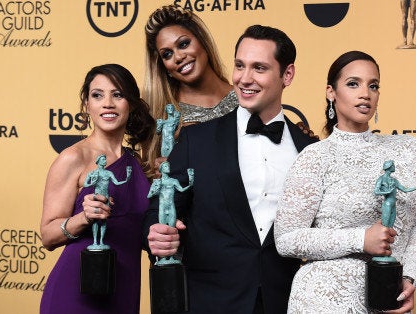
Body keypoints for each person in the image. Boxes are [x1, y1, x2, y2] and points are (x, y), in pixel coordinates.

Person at [143, 25, 318, 313]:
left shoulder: (310, 150)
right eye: (240, 65)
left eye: (259, 68)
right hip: (210, 301)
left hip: (288, 301)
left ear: (287, 74)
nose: (244, 79)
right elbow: (156, 210)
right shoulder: (194, 141)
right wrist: (155, 232)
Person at [274, 50, 416, 313]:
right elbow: (287, 239)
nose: (365, 93)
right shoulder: (315, 156)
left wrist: (407, 279)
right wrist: (361, 239)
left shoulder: (406, 149)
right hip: (321, 299)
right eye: (353, 84)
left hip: (386, 296)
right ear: (331, 92)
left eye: (373, 85)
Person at [40, 64, 155, 313]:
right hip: (78, 293)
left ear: (131, 104)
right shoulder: (73, 158)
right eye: (98, 95)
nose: (108, 104)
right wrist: (83, 217)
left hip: (124, 291)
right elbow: (48, 236)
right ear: (87, 105)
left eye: (118, 94)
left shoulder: (136, 163)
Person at [143, 5, 239, 175]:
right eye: (167, 54)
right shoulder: (164, 116)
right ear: (163, 67)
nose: (179, 57)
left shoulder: (246, 98)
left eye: (184, 44)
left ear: (203, 41)